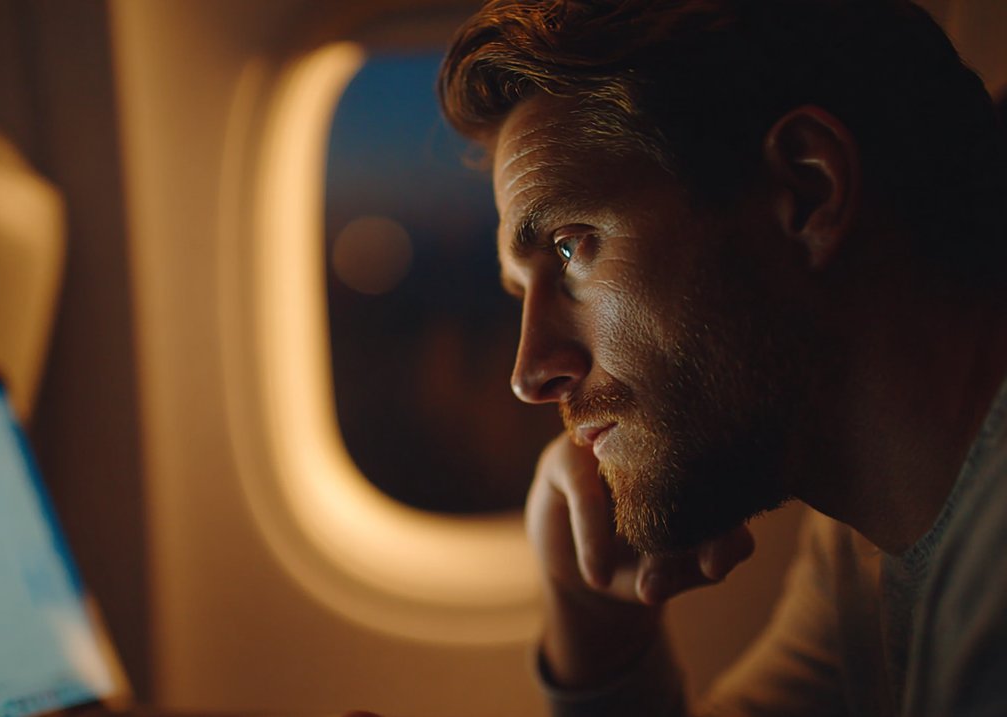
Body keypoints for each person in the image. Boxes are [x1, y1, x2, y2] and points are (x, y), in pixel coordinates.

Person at [431, 0, 1007, 715]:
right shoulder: (863, 540)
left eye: (572, 247)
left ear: (807, 188)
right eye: (522, 291)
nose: (530, 372)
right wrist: (594, 615)